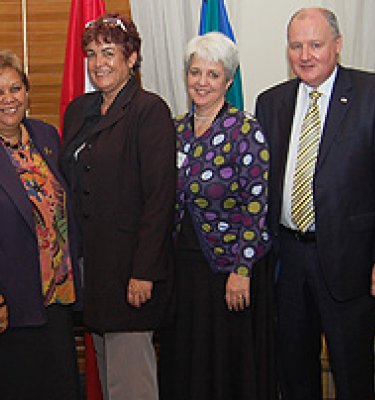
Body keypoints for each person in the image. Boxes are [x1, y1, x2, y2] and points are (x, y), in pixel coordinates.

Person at [255, 7, 375, 400]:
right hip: (288, 261)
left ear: (337, 45)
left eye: (315, 45)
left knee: (352, 374)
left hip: (349, 263)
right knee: (295, 372)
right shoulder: (270, 103)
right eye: (296, 46)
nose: (305, 55)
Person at [59, 13, 176, 400]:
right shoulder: (80, 110)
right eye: (91, 54)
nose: (98, 63)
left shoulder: (149, 111)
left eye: (109, 52)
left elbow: (160, 199)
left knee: (131, 384)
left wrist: (143, 271)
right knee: (111, 380)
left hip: (131, 275)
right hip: (92, 271)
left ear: (132, 57)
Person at [159, 31, 276, 400]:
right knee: (185, 359)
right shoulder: (174, 131)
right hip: (183, 271)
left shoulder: (246, 130)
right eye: (196, 72)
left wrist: (241, 272)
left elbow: (256, 207)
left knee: (226, 365)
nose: (202, 82)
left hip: (228, 273)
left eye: (212, 74)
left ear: (228, 80)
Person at [0, 50, 82, 400]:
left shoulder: (46, 137)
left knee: (61, 386)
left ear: (27, 92)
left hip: (59, 297)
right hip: (12, 304)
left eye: (15, 88)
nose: (8, 99)